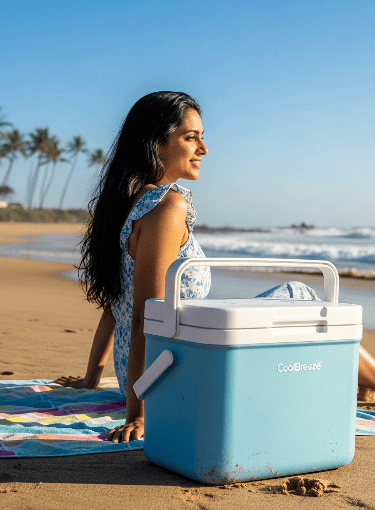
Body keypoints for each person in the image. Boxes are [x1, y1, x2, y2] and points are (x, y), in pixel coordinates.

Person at [56, 91, 375, 443]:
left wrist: (91, 378)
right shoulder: (167, 208)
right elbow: (144, 317)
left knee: (282, 307)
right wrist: (142, 414)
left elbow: (116, 303)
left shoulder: (124, 203)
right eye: (190, 138)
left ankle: (359, 382)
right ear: (156, 143)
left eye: (202, 138)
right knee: (301, 294)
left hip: (136, 372)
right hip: (168, 373)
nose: (203, 149)